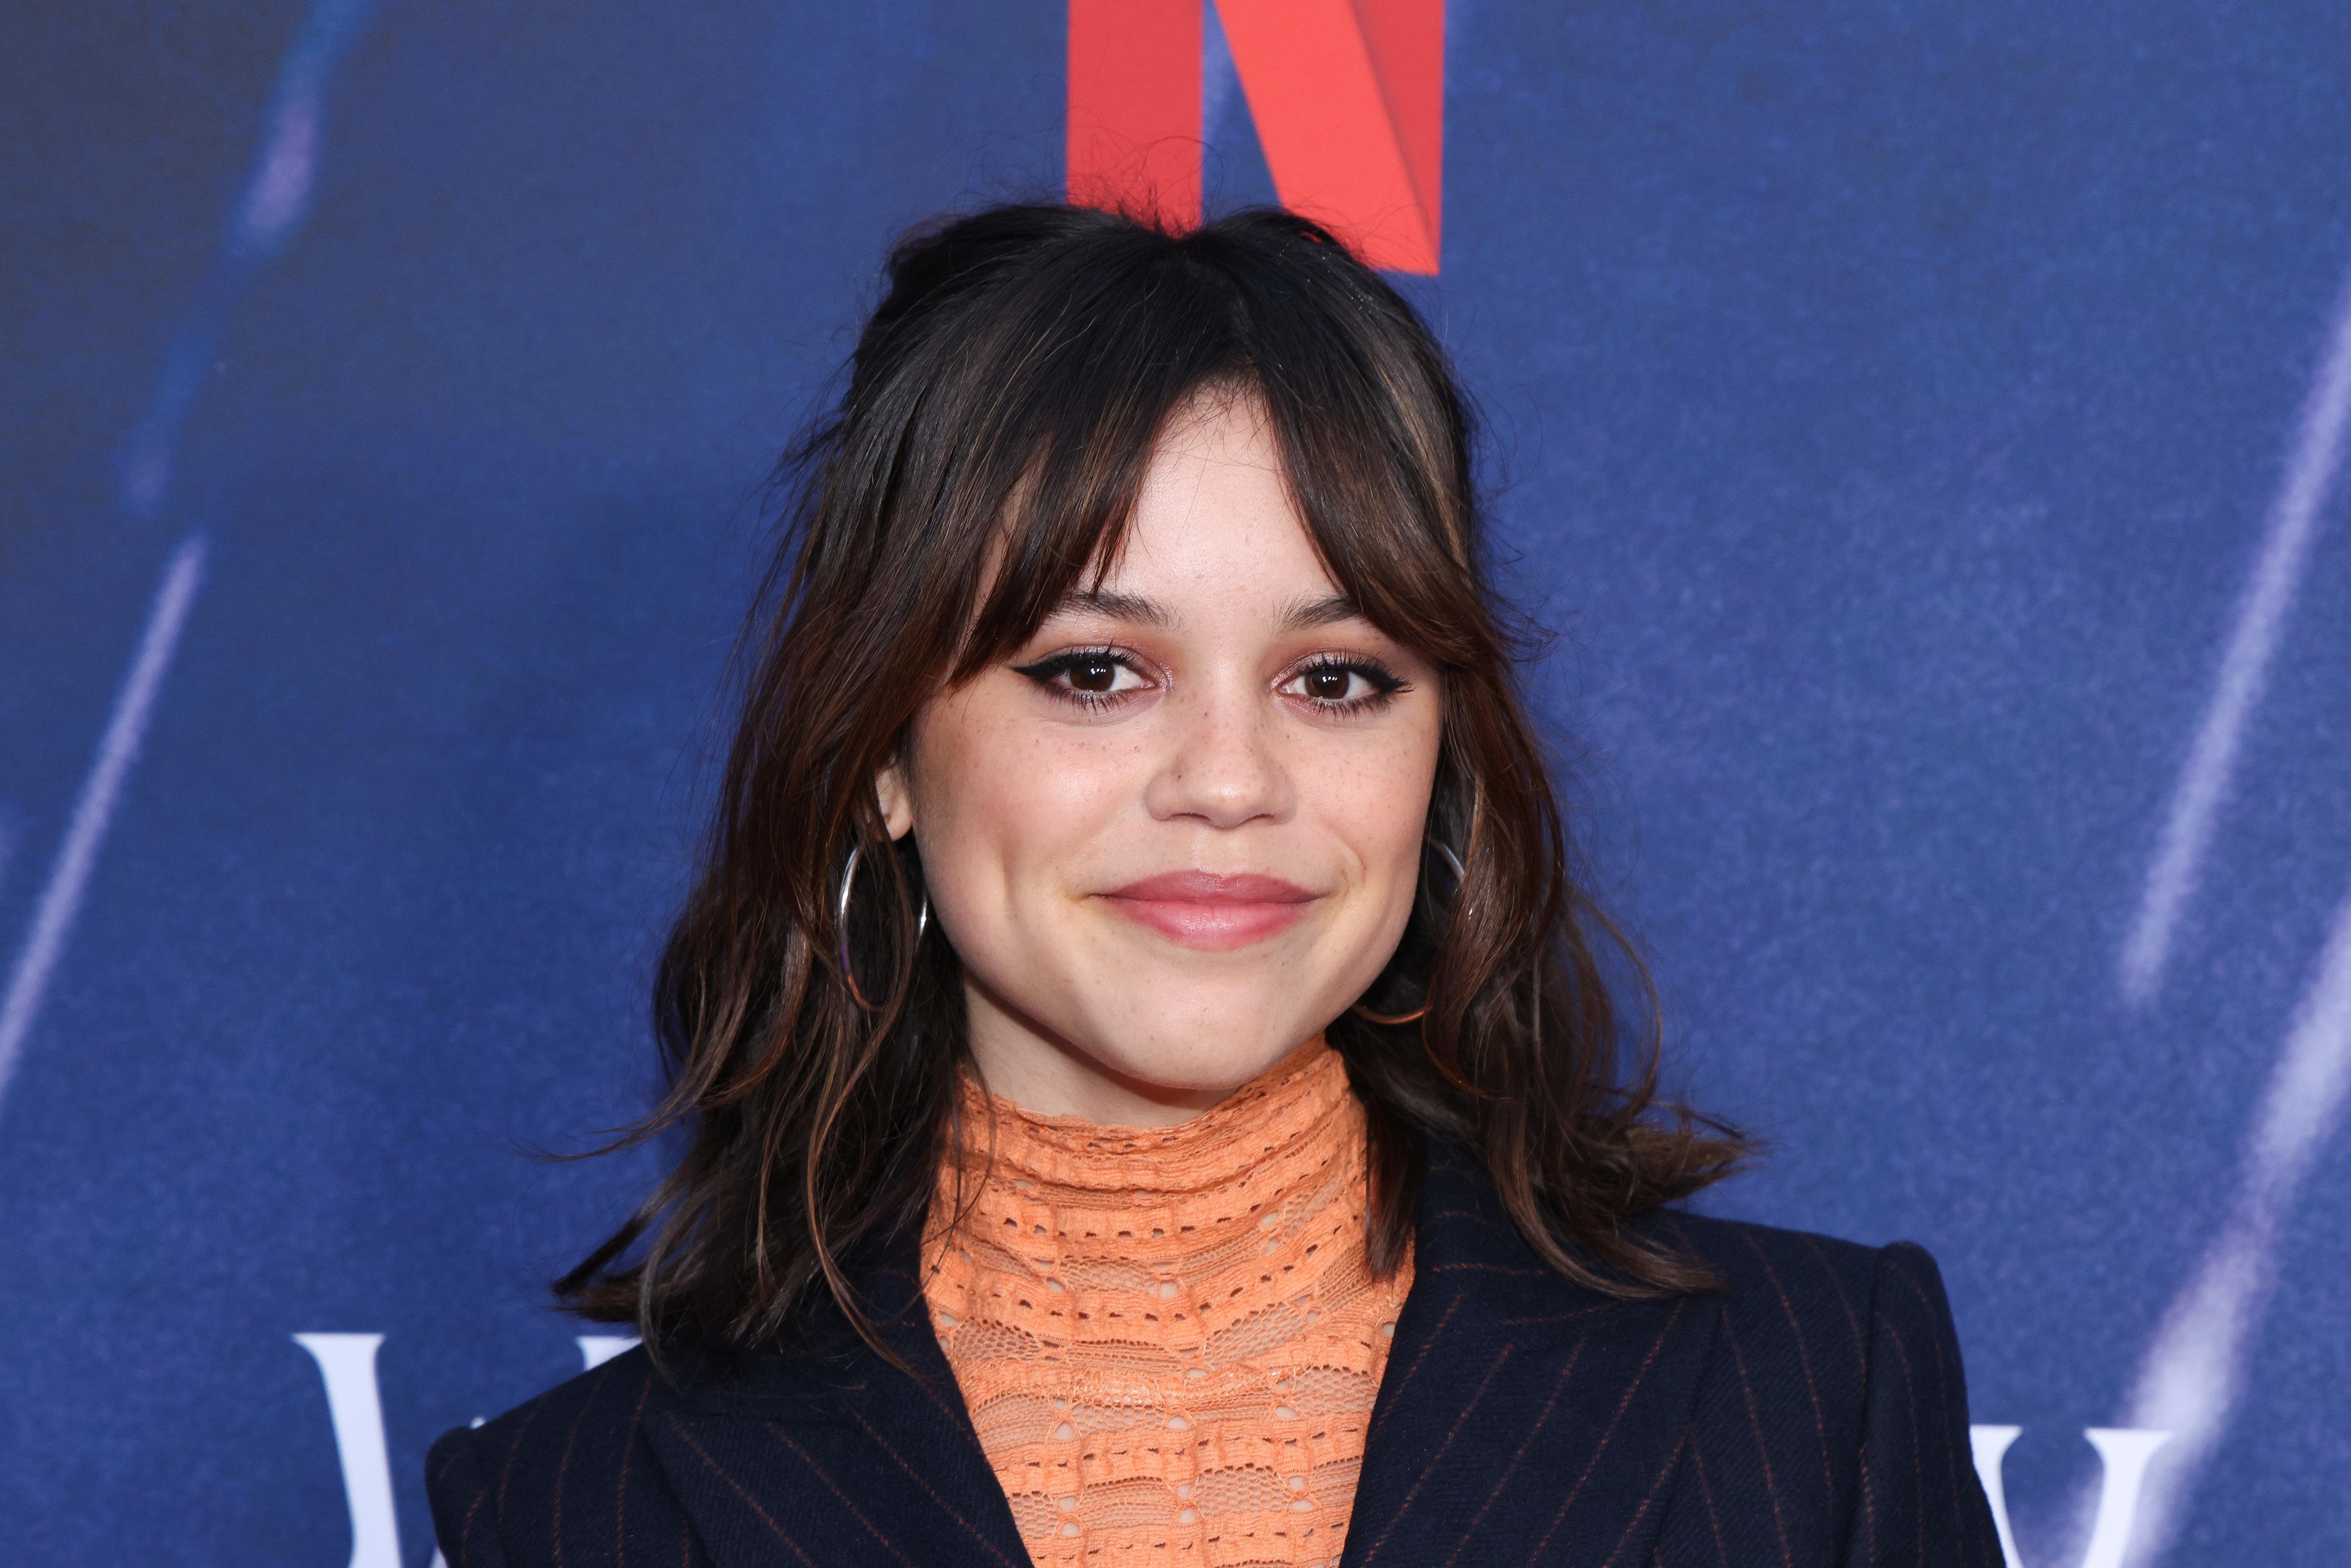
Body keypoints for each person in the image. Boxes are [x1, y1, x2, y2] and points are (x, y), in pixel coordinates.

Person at [426, 203, 2002, 1567]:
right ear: (883, 755)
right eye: (1098, 668)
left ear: (1441, 751)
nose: (1231, 779)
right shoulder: (576, 1510)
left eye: (1335, 678)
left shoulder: (1813, 1392)